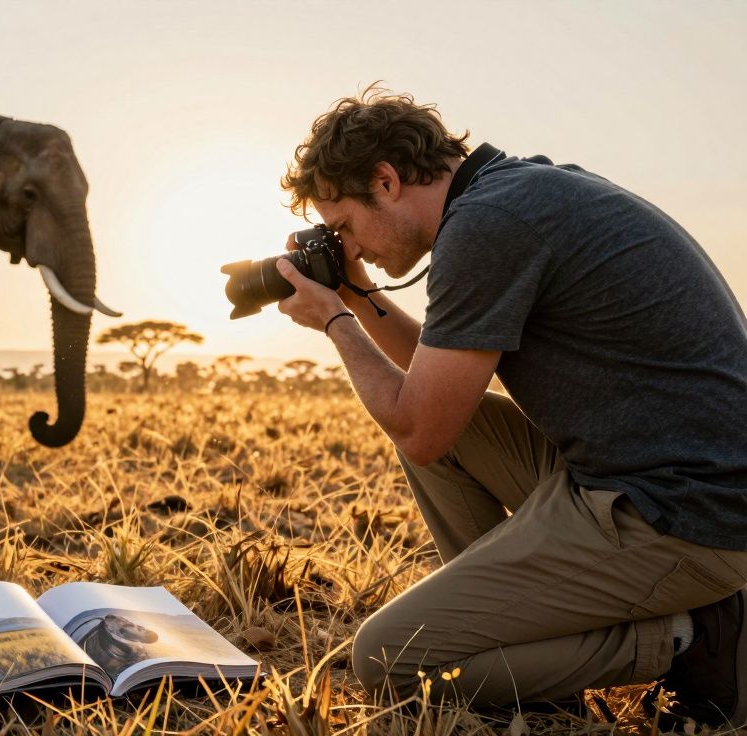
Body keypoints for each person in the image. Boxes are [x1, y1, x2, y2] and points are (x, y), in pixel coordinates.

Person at [273, 85, 747, 727]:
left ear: (385, 181)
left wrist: (335, 323)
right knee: (447, 432)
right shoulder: (516, 193)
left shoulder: (488, 227)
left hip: (687, 517)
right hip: (655, 479)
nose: (352, 247)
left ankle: (690, 637)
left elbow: (418, 428)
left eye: (344, 227)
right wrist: (356, 297)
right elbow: (433, 388)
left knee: (390, 659)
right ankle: (521, 656)